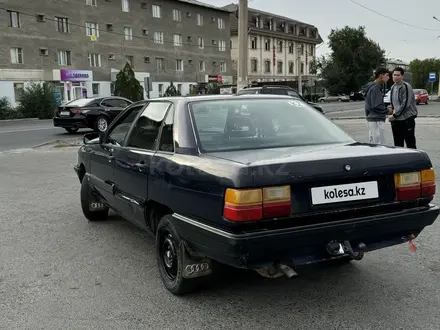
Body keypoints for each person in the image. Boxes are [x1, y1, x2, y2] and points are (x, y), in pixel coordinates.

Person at [387, 67, 418, 149]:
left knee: (410, 143)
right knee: (397, 144)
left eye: (398, 75)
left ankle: (413, 160)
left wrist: (394, 115)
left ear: (402, 76)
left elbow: (405, 104)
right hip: (396, 120)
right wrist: (390, 110)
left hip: (406, 119)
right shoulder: (393, 87)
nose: (395, 77)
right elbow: (393, 102)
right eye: (394, 75)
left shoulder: (406, 87)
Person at [362, 68, 390, 145]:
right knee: (380, 144)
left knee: (373, 143)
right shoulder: (376, 88)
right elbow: (377, 105)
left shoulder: (371, 87)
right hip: (377, 119)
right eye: (387, 75)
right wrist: (387, 110)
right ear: (381, 76)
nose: (388, 77)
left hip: (371, 118)